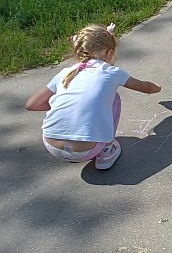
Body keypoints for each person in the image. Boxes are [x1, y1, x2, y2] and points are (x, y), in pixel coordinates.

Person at [25, 24, 161, 170]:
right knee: (114, 98)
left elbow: (32, 104)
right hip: (86, 151)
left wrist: (71, 108)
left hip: (52, 146)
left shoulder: (66, 73)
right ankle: (106, 151)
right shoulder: (111, 72)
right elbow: (146, 88)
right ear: (109, 53)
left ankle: (75, 148)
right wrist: (157, 87)